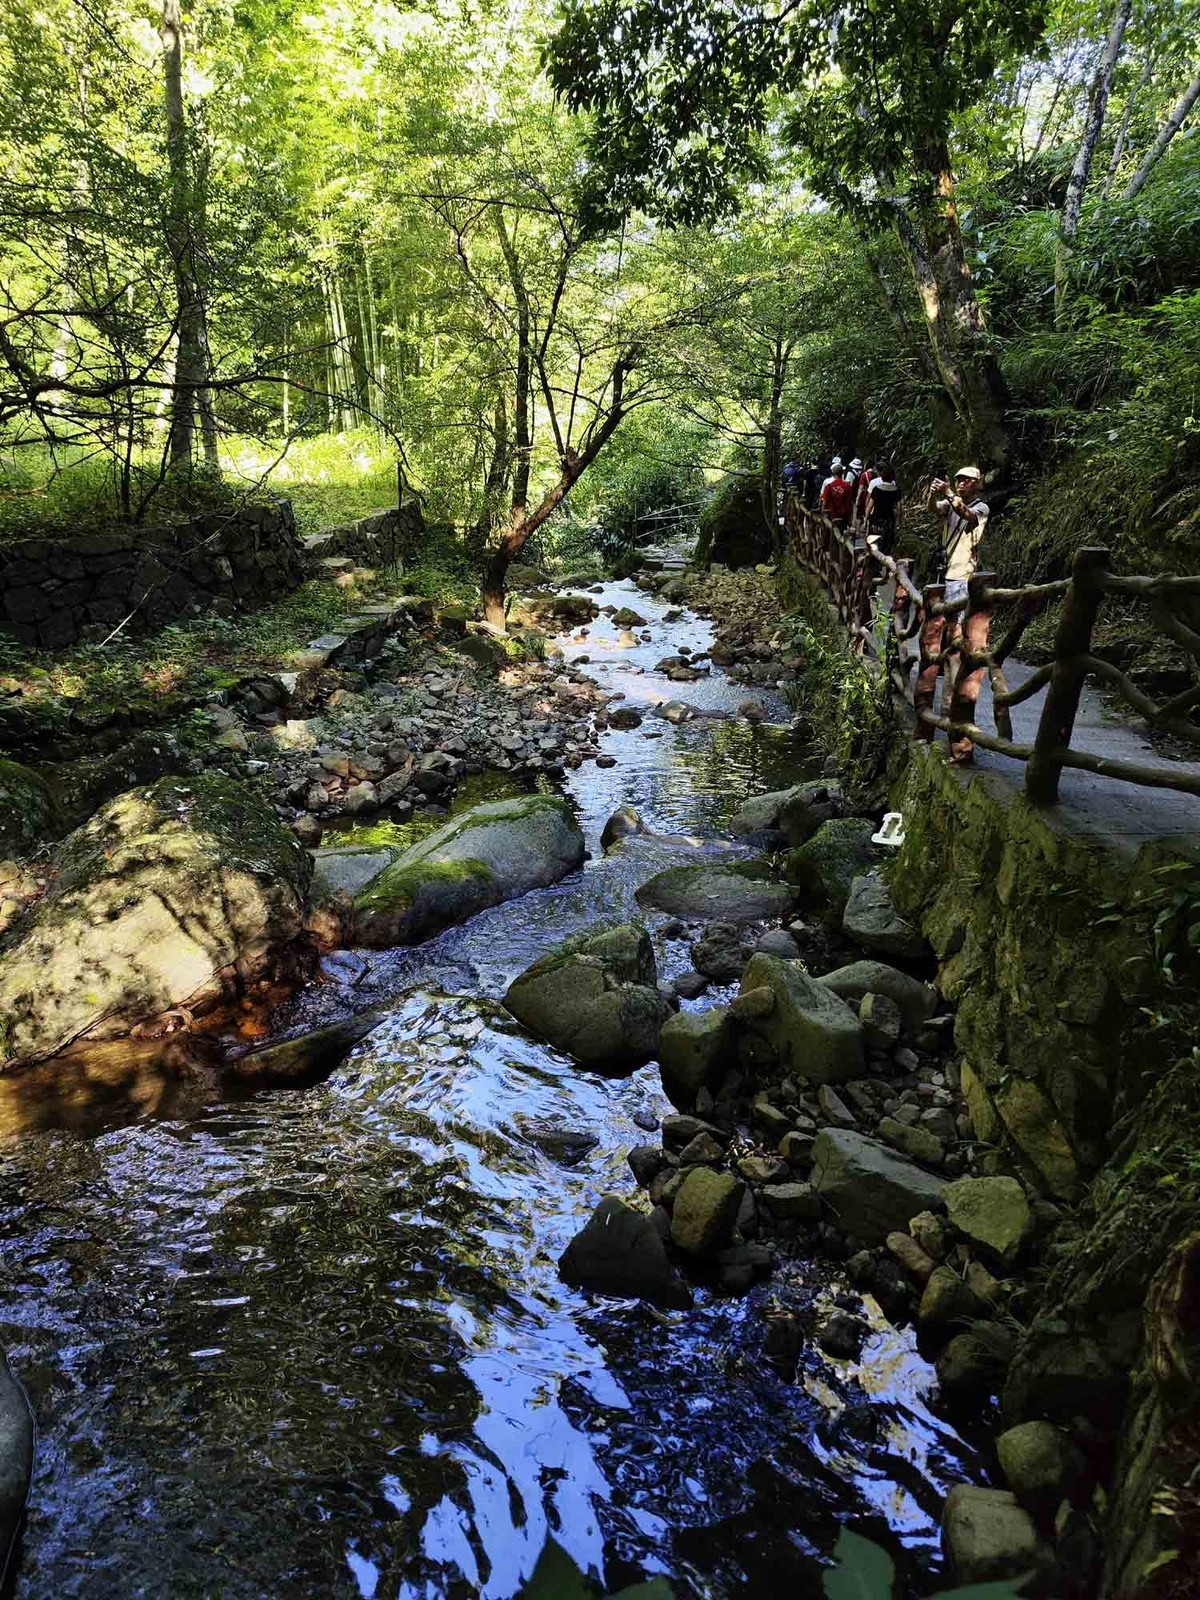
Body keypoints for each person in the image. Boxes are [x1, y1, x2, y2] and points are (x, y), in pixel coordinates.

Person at [928, 465, 989, 602]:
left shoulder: (982, 508)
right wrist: (933, 494)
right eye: (958, 480)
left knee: (954, 615)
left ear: (976, 484)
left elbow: (965, 513)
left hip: (961, 571)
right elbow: (933, 508)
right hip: (943, 566)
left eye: (966, 480)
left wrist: (948, 492)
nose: (961, 483)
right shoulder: (950, 503)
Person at [865, 463, 901, 557]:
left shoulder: (877, 489)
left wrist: (866, 518)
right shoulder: (896, 491)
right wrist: (898, 522)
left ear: (882, 477)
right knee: (887, 544)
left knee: (873, 543)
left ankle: (872, 561)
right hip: (889, 520)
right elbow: (899, 508)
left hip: (876, 519)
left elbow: (870, 505)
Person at [820, 461, 855, 530]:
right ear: (842, 473)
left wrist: (822, 514)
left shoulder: (829, 486)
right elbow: (850, 502)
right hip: (844, 516)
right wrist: (851, 518)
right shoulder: (848, 486)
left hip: (832, 515)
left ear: (832, 473)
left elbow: (824, 502)